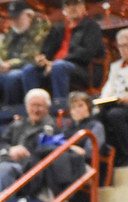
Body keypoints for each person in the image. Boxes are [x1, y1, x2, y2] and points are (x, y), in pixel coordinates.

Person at [22, 0, 104, 109]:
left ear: (84, 7)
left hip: (82, 69)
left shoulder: (91, 27)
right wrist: (42, 60)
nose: (72, 8)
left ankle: (60, 107)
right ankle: (32, 107)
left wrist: (54, 63)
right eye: (68, 5)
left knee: (59, 66)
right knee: (28, 70)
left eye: (75, 4)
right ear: (64, 9)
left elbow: (87, 53)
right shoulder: (58, 28)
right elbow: (46, 50)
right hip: (54, 66)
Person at [98, 29, 128, 167]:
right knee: (99, 116)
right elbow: (108, 88)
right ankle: (111, 158)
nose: (123, 49)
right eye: (120, 46)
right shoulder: (115, 66)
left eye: (126, 45)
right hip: (118, 103)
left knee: (115, 115)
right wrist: (103, 100)